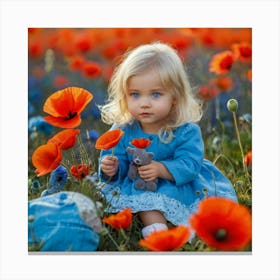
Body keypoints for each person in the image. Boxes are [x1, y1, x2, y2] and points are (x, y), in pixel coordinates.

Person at [97, 42, 237, 238]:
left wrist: (162, 169)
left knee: (174, 201)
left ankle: (180, 228)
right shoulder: (122, 130)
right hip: (139, 185)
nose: (144, 103)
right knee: (147, 202)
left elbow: (190, 164)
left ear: (175, 98)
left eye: (156, 94)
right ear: (124, 95)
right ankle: (158, 235)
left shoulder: (185, 131)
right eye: (135, 94)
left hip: (178, 184)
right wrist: (110, 169)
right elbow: (116, 162)